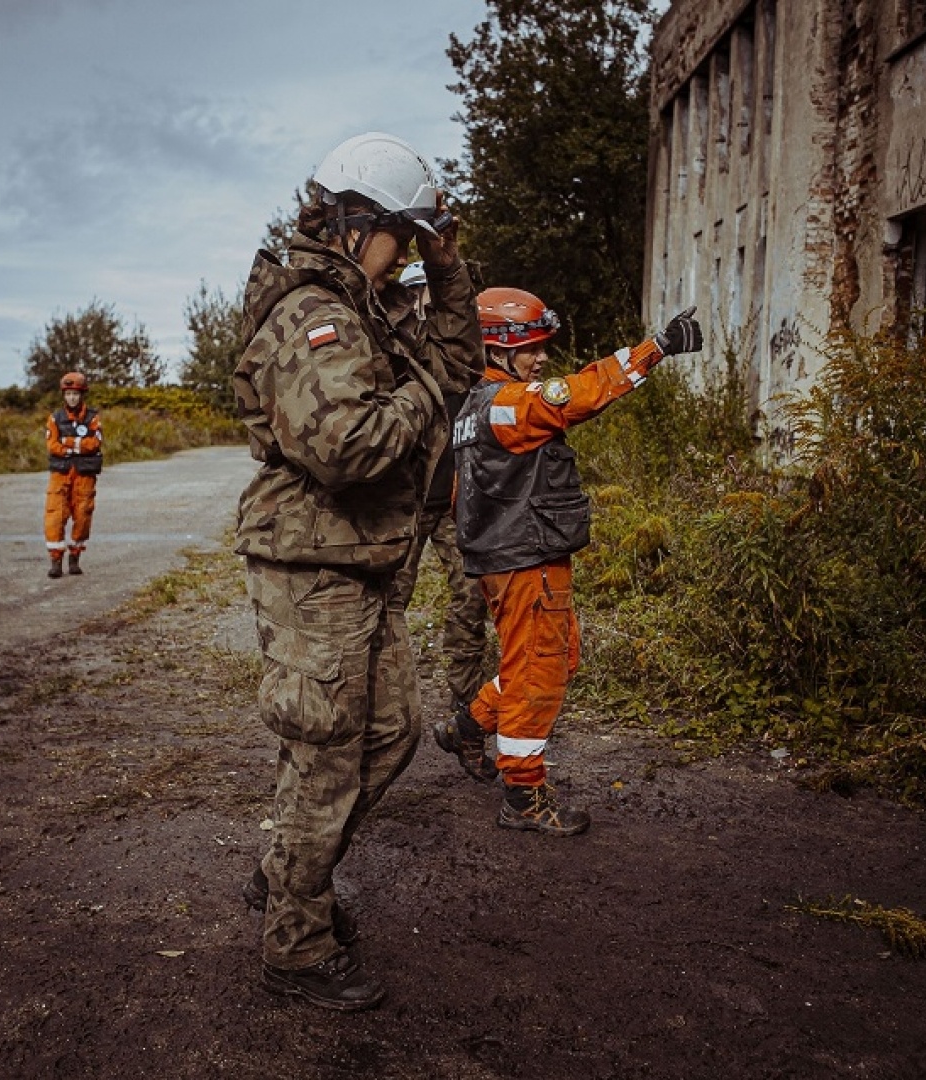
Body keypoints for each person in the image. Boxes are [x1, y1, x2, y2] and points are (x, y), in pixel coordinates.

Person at [232, 132, 483, 1011]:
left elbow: (458, 365)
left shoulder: (365, 304)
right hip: (314, 565)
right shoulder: (312, 314)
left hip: (363, 563)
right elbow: (348, 443)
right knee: (332, 754)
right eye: (403, 237)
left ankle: (287, 870)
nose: (406, 253)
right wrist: (418, 399)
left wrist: (449, 275)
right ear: (354, 221)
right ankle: (296, 941)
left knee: (393, 736)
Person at [439, 288, 702, 835]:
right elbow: (580, 394)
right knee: (538, 673)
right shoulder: (509, 404)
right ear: (498, 347)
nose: (542, 358)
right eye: (531, 347)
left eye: (543, 347)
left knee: (551, 658)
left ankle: (470, 726)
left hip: (510, 558)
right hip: (524, 560)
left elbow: (460, 493)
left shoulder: (472, 407)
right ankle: (524, 795)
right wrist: (655, 348)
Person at [388, 259, 490, 725]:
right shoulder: (392, 353)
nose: (420, 303)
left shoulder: (464, 353)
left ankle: (467, 709)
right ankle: (382, 709)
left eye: (426, 292)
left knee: (471, 598)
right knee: (389, 605)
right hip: (404, 506)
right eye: (413, 295)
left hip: (454, 502)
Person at [43, 371, 103, 579]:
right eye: (68, 394)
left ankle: (75, 557)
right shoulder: (55, 418)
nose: (72, 398)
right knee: (55, 515)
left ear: (82, 395)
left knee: (83, 514)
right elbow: (52, 445)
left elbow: (94, 443)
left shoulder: (93, 418)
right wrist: (77, 446)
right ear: (64, 395)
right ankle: (56, 560)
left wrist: (68, 443)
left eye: (75, 394)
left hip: (84, 475)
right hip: (61, 473)